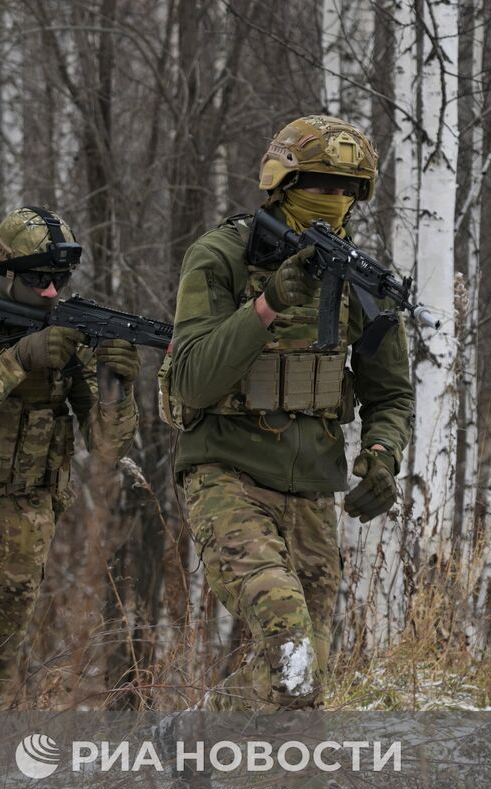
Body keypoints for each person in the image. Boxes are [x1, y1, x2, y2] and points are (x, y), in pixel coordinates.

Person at [163, 115, 414, 713]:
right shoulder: (222, 255)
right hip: (227, 476)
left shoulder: (360, 279)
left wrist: (383, 454)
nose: (333, 201)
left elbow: (391, 395)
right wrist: (270, 303)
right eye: (319, 184)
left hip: (311, 497)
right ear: (282, 182)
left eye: (348, 189)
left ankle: (190, 740)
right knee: (290, 638)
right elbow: (194, 378)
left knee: (299, 676)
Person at [0, 206, 141, 774]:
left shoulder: (74, 332)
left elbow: (107, 445)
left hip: (28, 510)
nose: (49, 290)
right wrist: (19, 359)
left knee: (5, 649)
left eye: (59, 281)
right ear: (7, 274)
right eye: (37, 278)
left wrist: (118, 386)